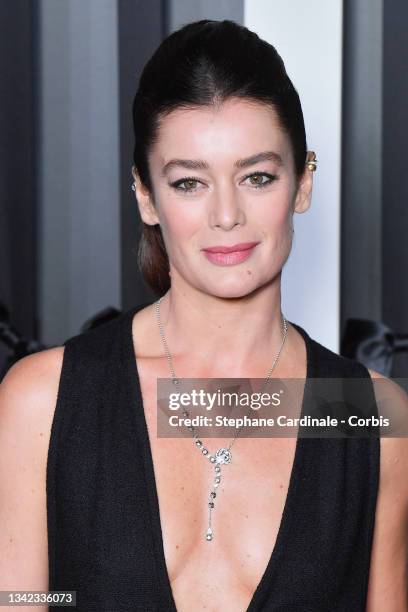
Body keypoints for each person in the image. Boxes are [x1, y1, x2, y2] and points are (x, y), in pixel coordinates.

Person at [0, 18, 407, 612]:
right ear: (146, 195)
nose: (226, 215)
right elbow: (29, 600)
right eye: (190, 182)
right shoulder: (44, 400)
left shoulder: (365, 417)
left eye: (258, 177)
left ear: (302, 183)